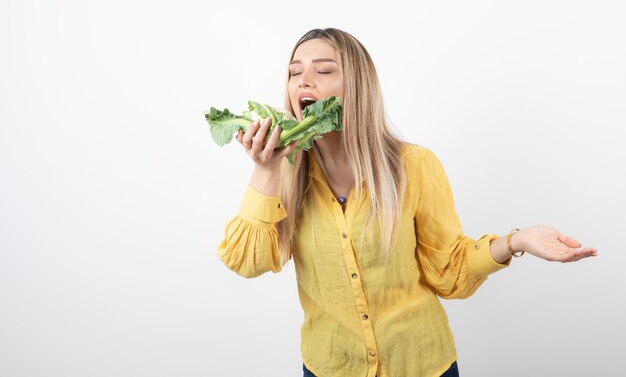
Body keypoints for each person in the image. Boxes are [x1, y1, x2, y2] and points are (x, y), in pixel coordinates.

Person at [217, 28, 598, 377]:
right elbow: (247, 262)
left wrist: (516, 241)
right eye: (294, 71)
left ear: (358, 86)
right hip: (330, 366)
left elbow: (449, 273)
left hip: (421, 364)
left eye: (324, 70)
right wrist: (265, 169)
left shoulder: (413, 166)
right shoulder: (284, 174)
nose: (303, 80)